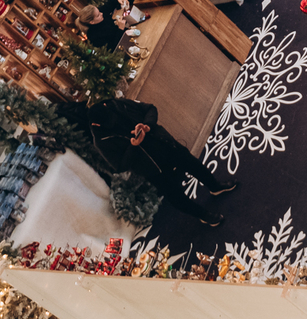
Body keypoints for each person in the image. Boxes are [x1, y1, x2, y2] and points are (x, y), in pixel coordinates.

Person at [53, 96, 235, 226]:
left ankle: (215, 186)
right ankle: (203, 215)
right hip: (152, 167)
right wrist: (133, 146)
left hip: (165, 144)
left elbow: (150, 108)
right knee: (175, 195)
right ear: (98, 126)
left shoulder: (116, 104)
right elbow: (118, 166)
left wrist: (148, 124)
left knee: (193, 164)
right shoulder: (101, 141)